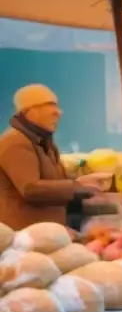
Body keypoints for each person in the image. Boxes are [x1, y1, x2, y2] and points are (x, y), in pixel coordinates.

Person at [0, 84, 102, 229]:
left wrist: (81, 181)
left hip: (48, 230)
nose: (58, 113)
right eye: (51, 107)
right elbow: (30, 189)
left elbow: (55, 180)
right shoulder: (15, 142)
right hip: (26, 234)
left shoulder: (44, 141)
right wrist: (75, 187)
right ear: (30, 111)